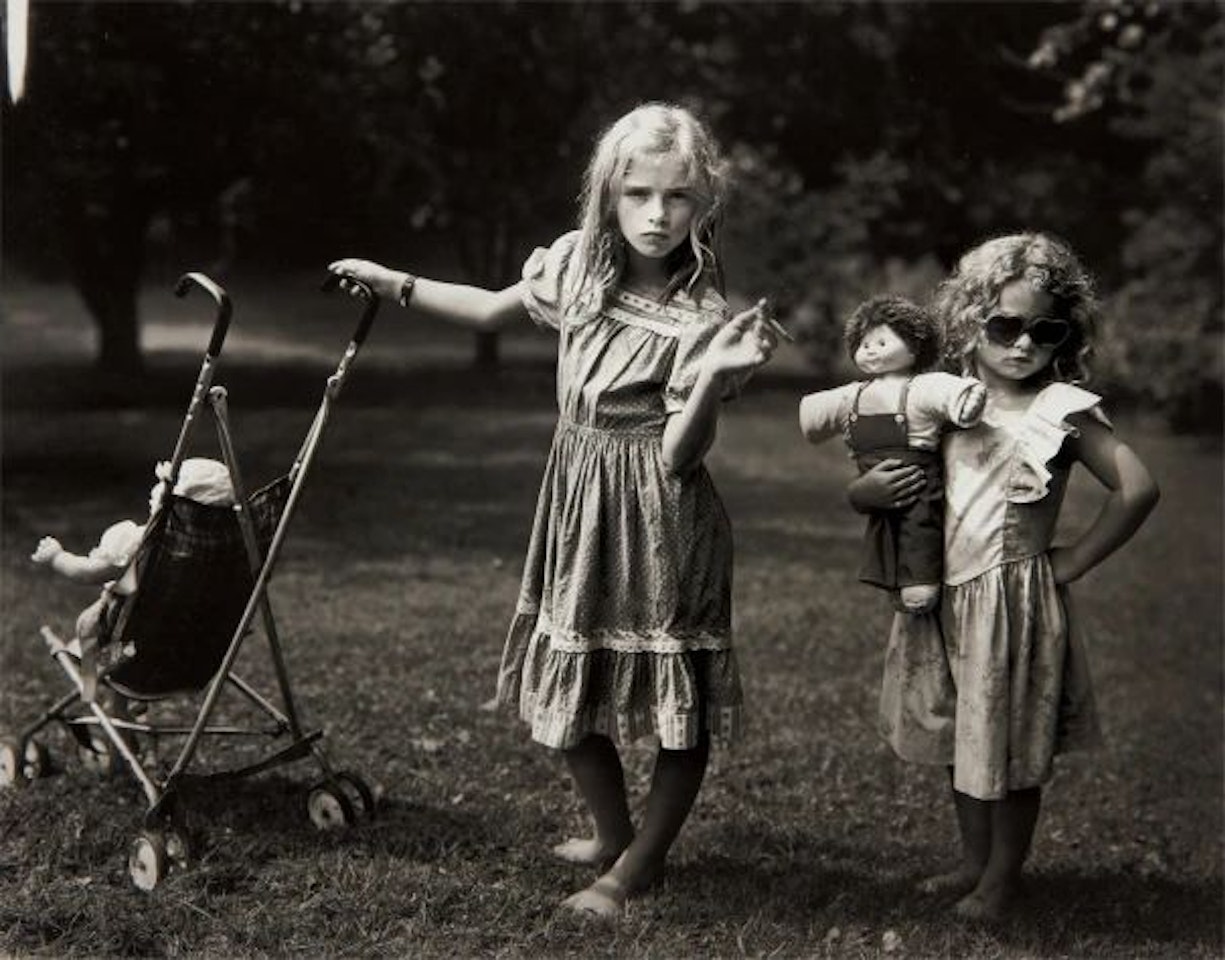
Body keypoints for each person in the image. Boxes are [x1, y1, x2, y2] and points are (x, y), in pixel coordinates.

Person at [327, 102, 779, 920]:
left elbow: (681, 455)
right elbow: (492, 310)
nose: (655, 214)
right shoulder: (575, 268)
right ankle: (611, 833)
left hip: (663, 516)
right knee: (566, 688)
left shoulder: (706, 322)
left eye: (677, 198)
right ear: (607, 194)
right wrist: (392, 281)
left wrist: (714, 377)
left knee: (676, 708)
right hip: (578, 498)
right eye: (636, 193)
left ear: (703, 206)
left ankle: (636, 868)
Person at [849, 233, 1159, 921]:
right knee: (965, 737)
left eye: (1044, 331)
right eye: (1004, 325)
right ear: (968, 320)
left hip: (1012, 606)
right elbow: (893, 489)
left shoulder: (1061, 412)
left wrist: (1072, 559)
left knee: (1011, 748)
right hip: (941, 598)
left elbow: (1136, 488)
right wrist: (866, 494)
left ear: (1064, 335)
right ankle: (971, 861)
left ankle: (1000, 879)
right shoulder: (935, 402)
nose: (1022, 344)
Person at [799, 295, 985, 613]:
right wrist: (811, 416)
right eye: (864, 343)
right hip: (872, 479)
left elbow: (949, 393)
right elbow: (813, 417)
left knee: (919, 524)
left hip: (917, 479)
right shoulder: (852, 395)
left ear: (914, 347)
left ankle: (920, 579)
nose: (870, 349)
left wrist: (966, 399)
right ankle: (894, 581)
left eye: (882, 341)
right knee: (883, 531)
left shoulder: (920, 388)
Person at [31, 457, 236, 698]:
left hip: (136, 652)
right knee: (143, 633)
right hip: (193, 657)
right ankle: (118, 706)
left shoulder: (139, 542)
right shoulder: (234, 550)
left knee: (87, 623)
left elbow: (88, 573)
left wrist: (56, 556)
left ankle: (90, 683)